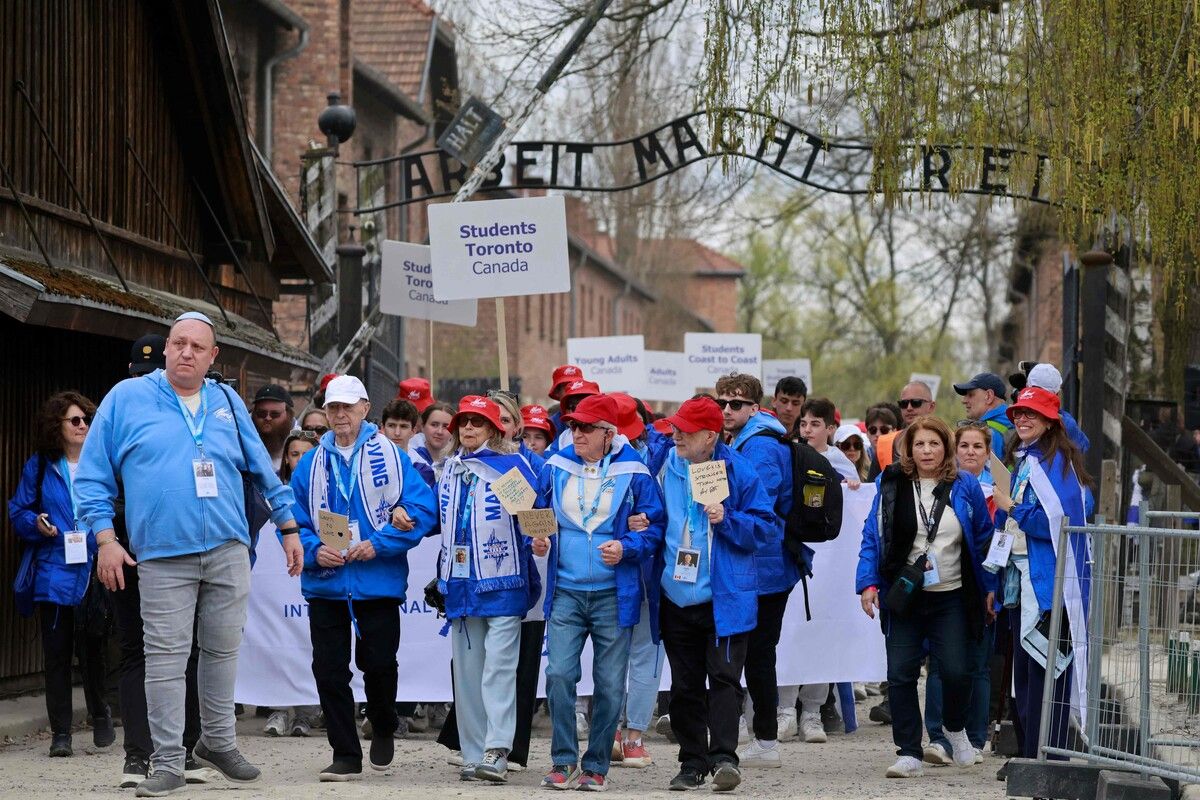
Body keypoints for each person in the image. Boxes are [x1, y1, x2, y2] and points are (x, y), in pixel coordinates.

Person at [77, 311, 303, 797]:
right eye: (179, 343)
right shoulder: (126, 398)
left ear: (212, 355)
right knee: (165, 658)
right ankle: (166, 761)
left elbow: (261, 468)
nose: (186, 352)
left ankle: (217, 743)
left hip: (227, 545)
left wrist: (288, 526)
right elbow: (92, 476)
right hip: (161, 551)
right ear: (166, 349)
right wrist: (105, 539)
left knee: (222, 650)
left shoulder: (226, 400)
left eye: (198, 347)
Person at [287, 375, 438, 782]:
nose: (340, 414)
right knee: (329, 670)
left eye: (347, 407)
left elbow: (423, 510)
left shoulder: (392, 455)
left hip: (377, 582)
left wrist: (380, 544)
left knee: (380, 665)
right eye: (333, 407)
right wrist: (313, 550)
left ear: (365, 408)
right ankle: (345, 753)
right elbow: (294, 517)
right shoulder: (312, 462)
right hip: (327, 584)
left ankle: (384, 723)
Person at [529, 394, 665, 791]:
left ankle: (596, 766)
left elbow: (655, 528)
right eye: (574, 426)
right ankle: (563, 760)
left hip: (613, 594)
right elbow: (536, 515)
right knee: (558, 674)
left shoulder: (635, 471)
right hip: (566, 591)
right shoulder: (555, 465)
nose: (577, 433)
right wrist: (536, 540)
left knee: (609, 684)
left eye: (587, 428)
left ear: (609, 433)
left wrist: (627, 547)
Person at [855, 416, 996, 778]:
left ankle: (954, 727)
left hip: (952, 595)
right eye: (919, 444)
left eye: (934, 443)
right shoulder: (891, 483)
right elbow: (872, 535)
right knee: (900, 674)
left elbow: (983, 537)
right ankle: (908, 752)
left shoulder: (964, 485)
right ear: (909, 449)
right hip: (905, 595)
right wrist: (867, 582)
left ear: (946, 448)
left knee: (957, 671)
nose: (927, 451)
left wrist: (991, 585)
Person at [649, 396, 777, 792]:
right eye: (675, 429)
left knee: (724, 680)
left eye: (685, 431)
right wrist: (642, 520)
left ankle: (724, 758)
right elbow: (650, 513)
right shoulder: (662, 464)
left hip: (724, 598)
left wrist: (728, 518)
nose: (676, 436)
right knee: (684, 686)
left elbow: (765, 527)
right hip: (675, 595)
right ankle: (691, 762)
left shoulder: (738, 470)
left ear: (710, 436)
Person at [436, 396, 541, 782]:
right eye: (463, 422)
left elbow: (532, 516)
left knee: (498, 668)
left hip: (502, 584)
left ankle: (497, 749)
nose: (468, 428)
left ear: (494, 429)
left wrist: (539, 537)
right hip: (460, 585)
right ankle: (471, 752)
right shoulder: (450, 469)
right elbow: (434, 517)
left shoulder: (508, 468)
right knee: (467, 673)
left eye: (477, 422)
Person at [7, 391, 112, 759]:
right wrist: (35, 523)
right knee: (56, 656)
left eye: (86, 419)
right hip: (54, 568)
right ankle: (61, 734)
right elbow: (18, 510)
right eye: (75, 420)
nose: (83, 426)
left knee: (94, 651)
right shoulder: (39, 466)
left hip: (95, 567)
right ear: (58, 426)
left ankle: (101, 714)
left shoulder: (103, 462)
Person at [993, 386, 1091, 763]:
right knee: (1026, 681)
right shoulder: (1026, 460)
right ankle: (1033, 757)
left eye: (1031, 413)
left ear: (1050, 421)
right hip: (1022, 585)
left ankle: (1050, 762)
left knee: (1049, 679)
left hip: (1051, 589)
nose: (1022, 418)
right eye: (1018, 413)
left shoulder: (1058, 464)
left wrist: (1012, 507)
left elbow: (1057, 526)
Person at [712, 374, 807, 762]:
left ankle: (766, 739)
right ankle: (759, 734)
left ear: (754, 408)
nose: (726, 410)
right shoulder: (748, 440)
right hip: (759, 562)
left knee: (757, 654)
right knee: (753, 653)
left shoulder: (762, 446)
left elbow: (758, 507)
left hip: (766, 565)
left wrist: (719, 508)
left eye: (735, 404)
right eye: (721, 403)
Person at [922, 422, 998, 766]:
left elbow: (989, 541)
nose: (970, 452)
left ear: (988, 453)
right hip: (942, 586)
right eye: (963, 446)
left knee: (977, 665)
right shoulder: (942, 485)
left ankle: (976, 737)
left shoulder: (1001, 491)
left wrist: (992, 587)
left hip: (980, 587)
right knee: (941, 663)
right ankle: (938, 738)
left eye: (977, 447)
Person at [261, 428, 323, 740]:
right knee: (280, 641)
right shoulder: (272, 492)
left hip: (313, 579)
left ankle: (307, 712)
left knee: (311, 645)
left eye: (307, 454)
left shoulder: (327, 491)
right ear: (285, 458)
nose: (299, 460)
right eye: (294, 454)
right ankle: (279, 708)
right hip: (277, 585)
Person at [876, 382, 937, 471]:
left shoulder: (947, 440)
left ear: (931, 407)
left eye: (916, 403)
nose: (909, 408)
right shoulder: (885, 443)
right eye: (903, 403)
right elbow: (874, 479)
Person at [797, 398, 860, 484]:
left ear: (830, 429)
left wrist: (848, 483)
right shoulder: (793, 454)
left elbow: (855, 487)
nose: (807, 430)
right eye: (803, 424)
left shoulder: (837, 457)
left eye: (815, 424)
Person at [953, 373, 1012, 457]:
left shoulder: (990, 432)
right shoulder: (1013, 421)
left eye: (971, 395)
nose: (964, 401)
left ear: (989, 396)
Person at [543, 379, 602, 456]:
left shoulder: (611, 435)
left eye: (586, 405)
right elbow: (547, 460)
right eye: (573, 407)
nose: (579, 411)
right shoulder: (563, 440)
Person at [409, 401, 455, 485]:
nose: (439, 431)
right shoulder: (409, 457)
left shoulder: (459, 461)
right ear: (422, 426)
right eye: (434, 425)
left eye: (446, 426)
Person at [251, 384, 295, 472]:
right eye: (262, 413)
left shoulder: (298, 439)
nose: (268, 418)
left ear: (288, 414)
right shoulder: (240, 435)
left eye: (275, 414)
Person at [546, 364, 586, 433]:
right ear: (557, 392)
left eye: (577, 385)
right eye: (567, 387)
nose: (573, 390)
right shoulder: (551, 425)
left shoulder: (595, 418)